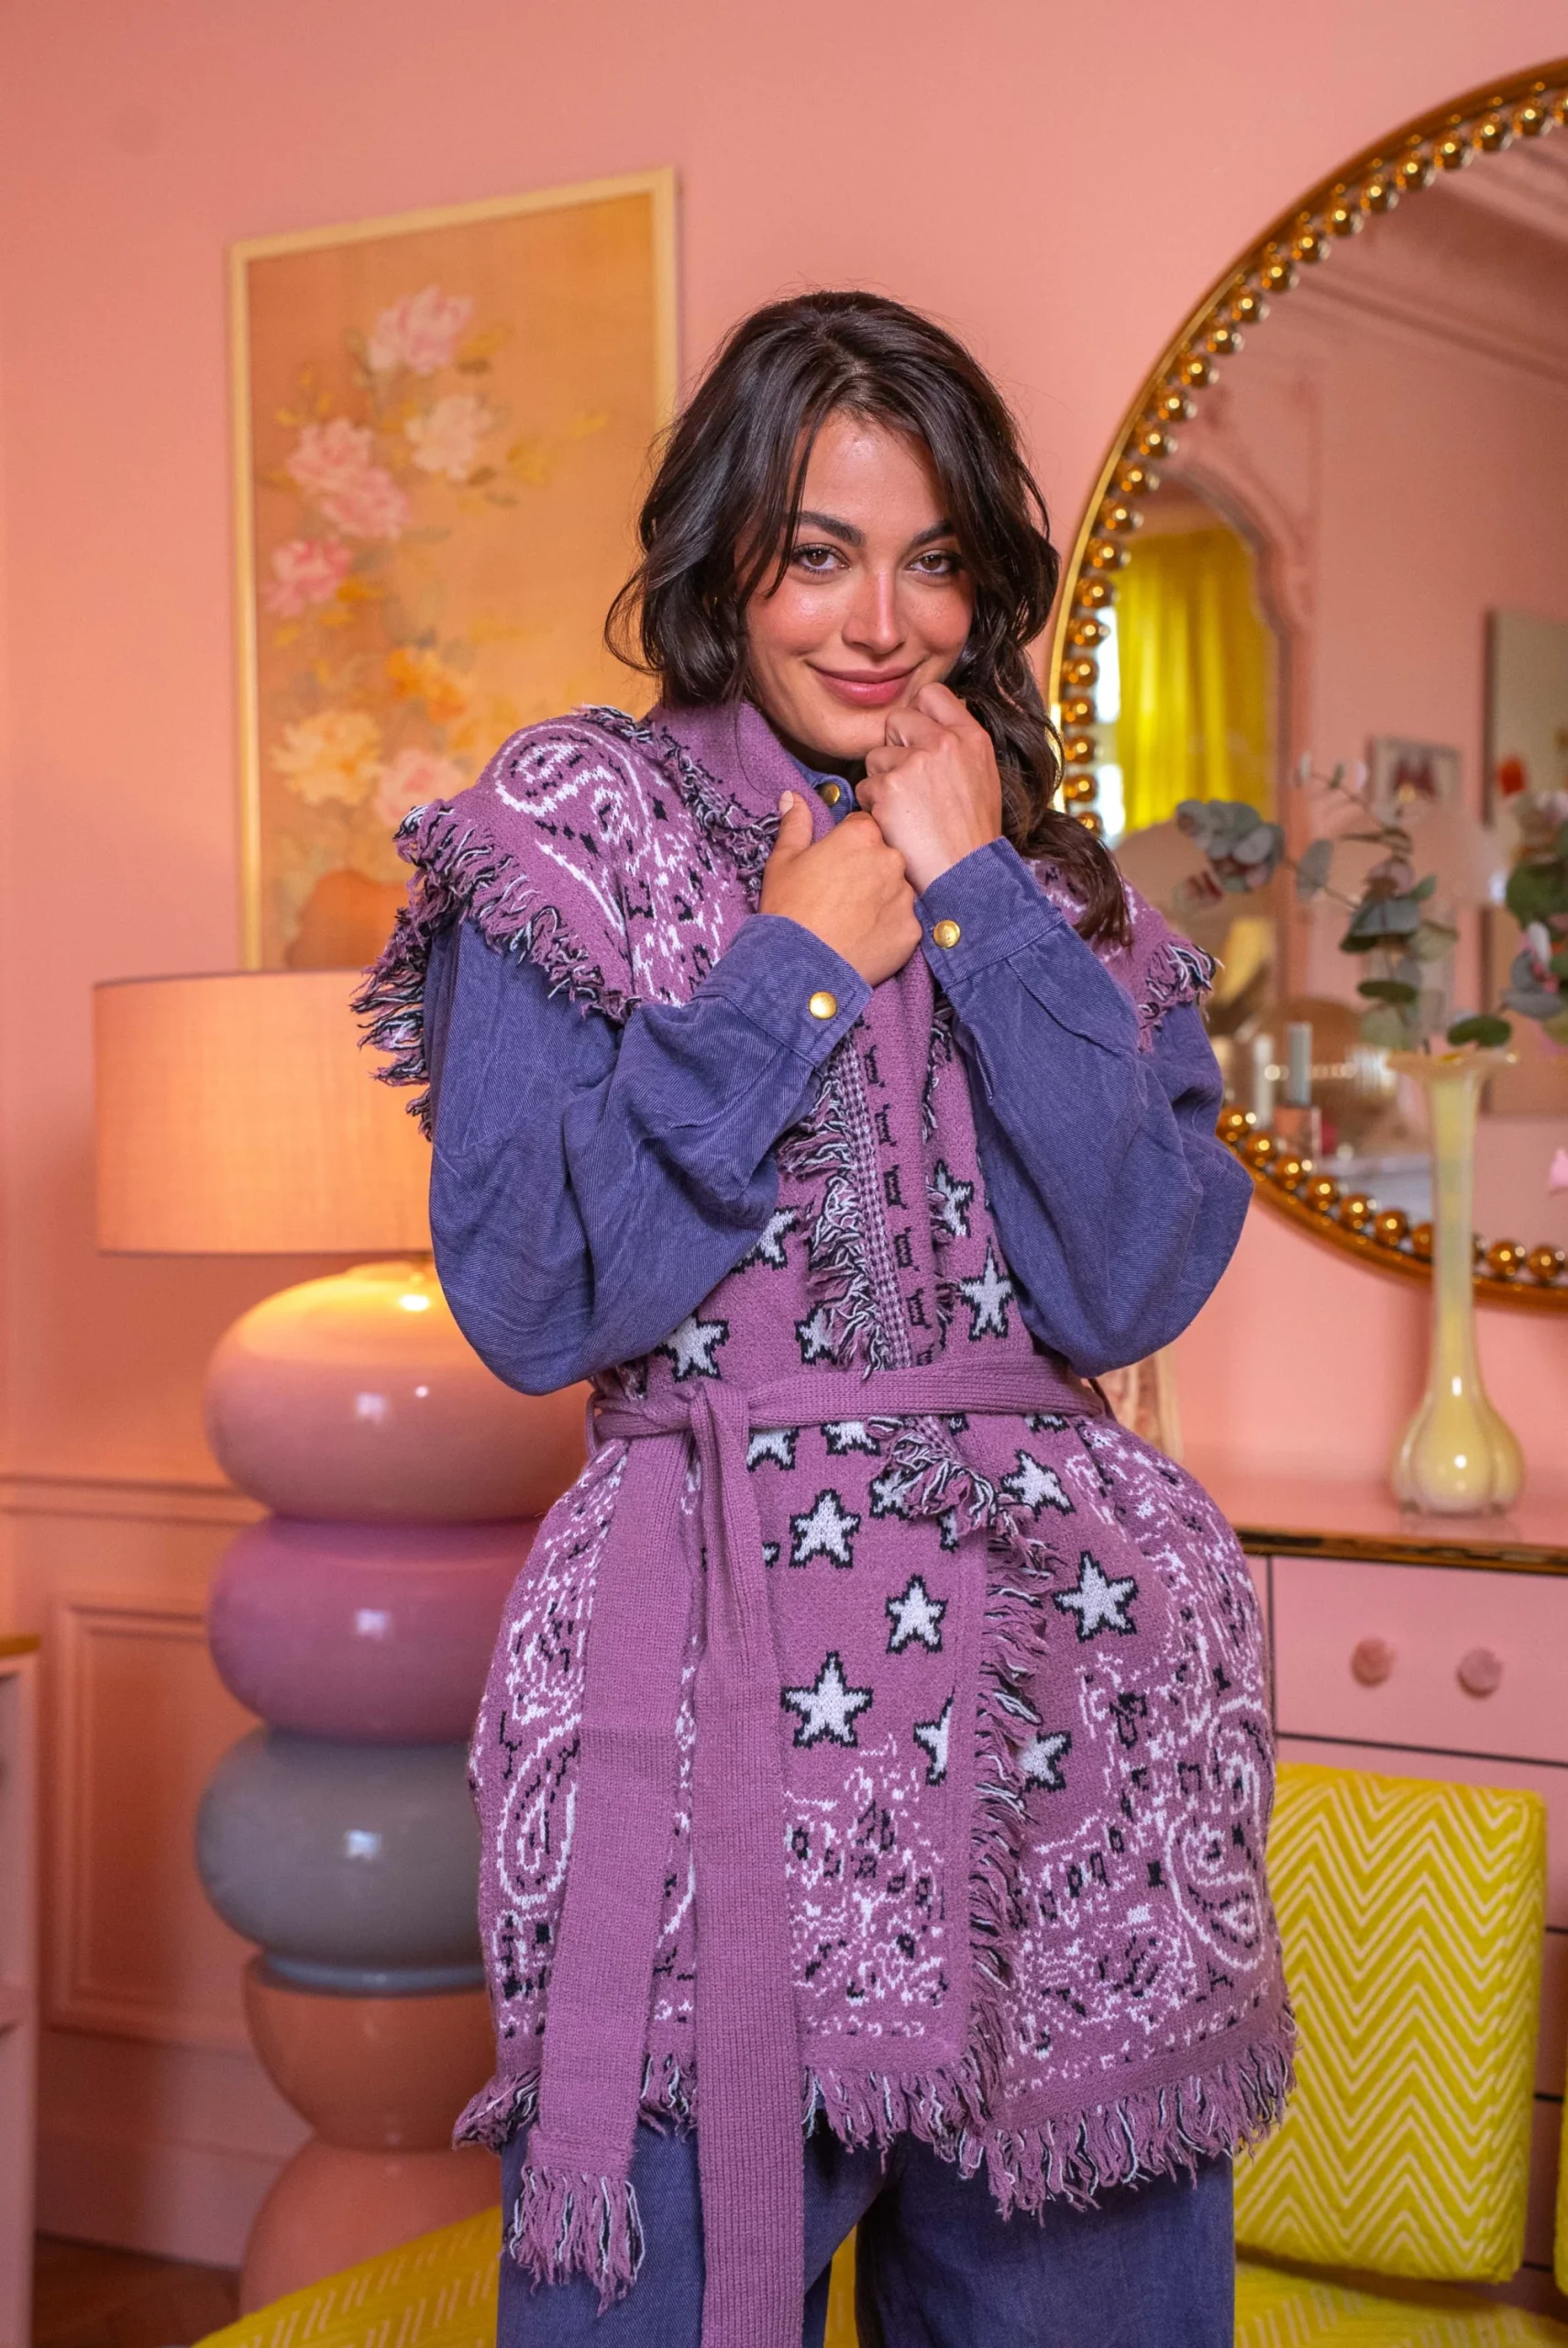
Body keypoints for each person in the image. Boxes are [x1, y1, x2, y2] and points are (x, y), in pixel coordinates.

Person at [359, 289, 1289, 2348]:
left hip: (1078, 1739)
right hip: (708, 1712)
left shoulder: (1060, 892)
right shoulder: (574, 832)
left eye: (933, 559)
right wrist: (786, 969)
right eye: (817, 553)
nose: (881, 623)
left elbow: (1126, 1279)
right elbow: (531, 1292)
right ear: (722, 557)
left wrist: (973, 900)